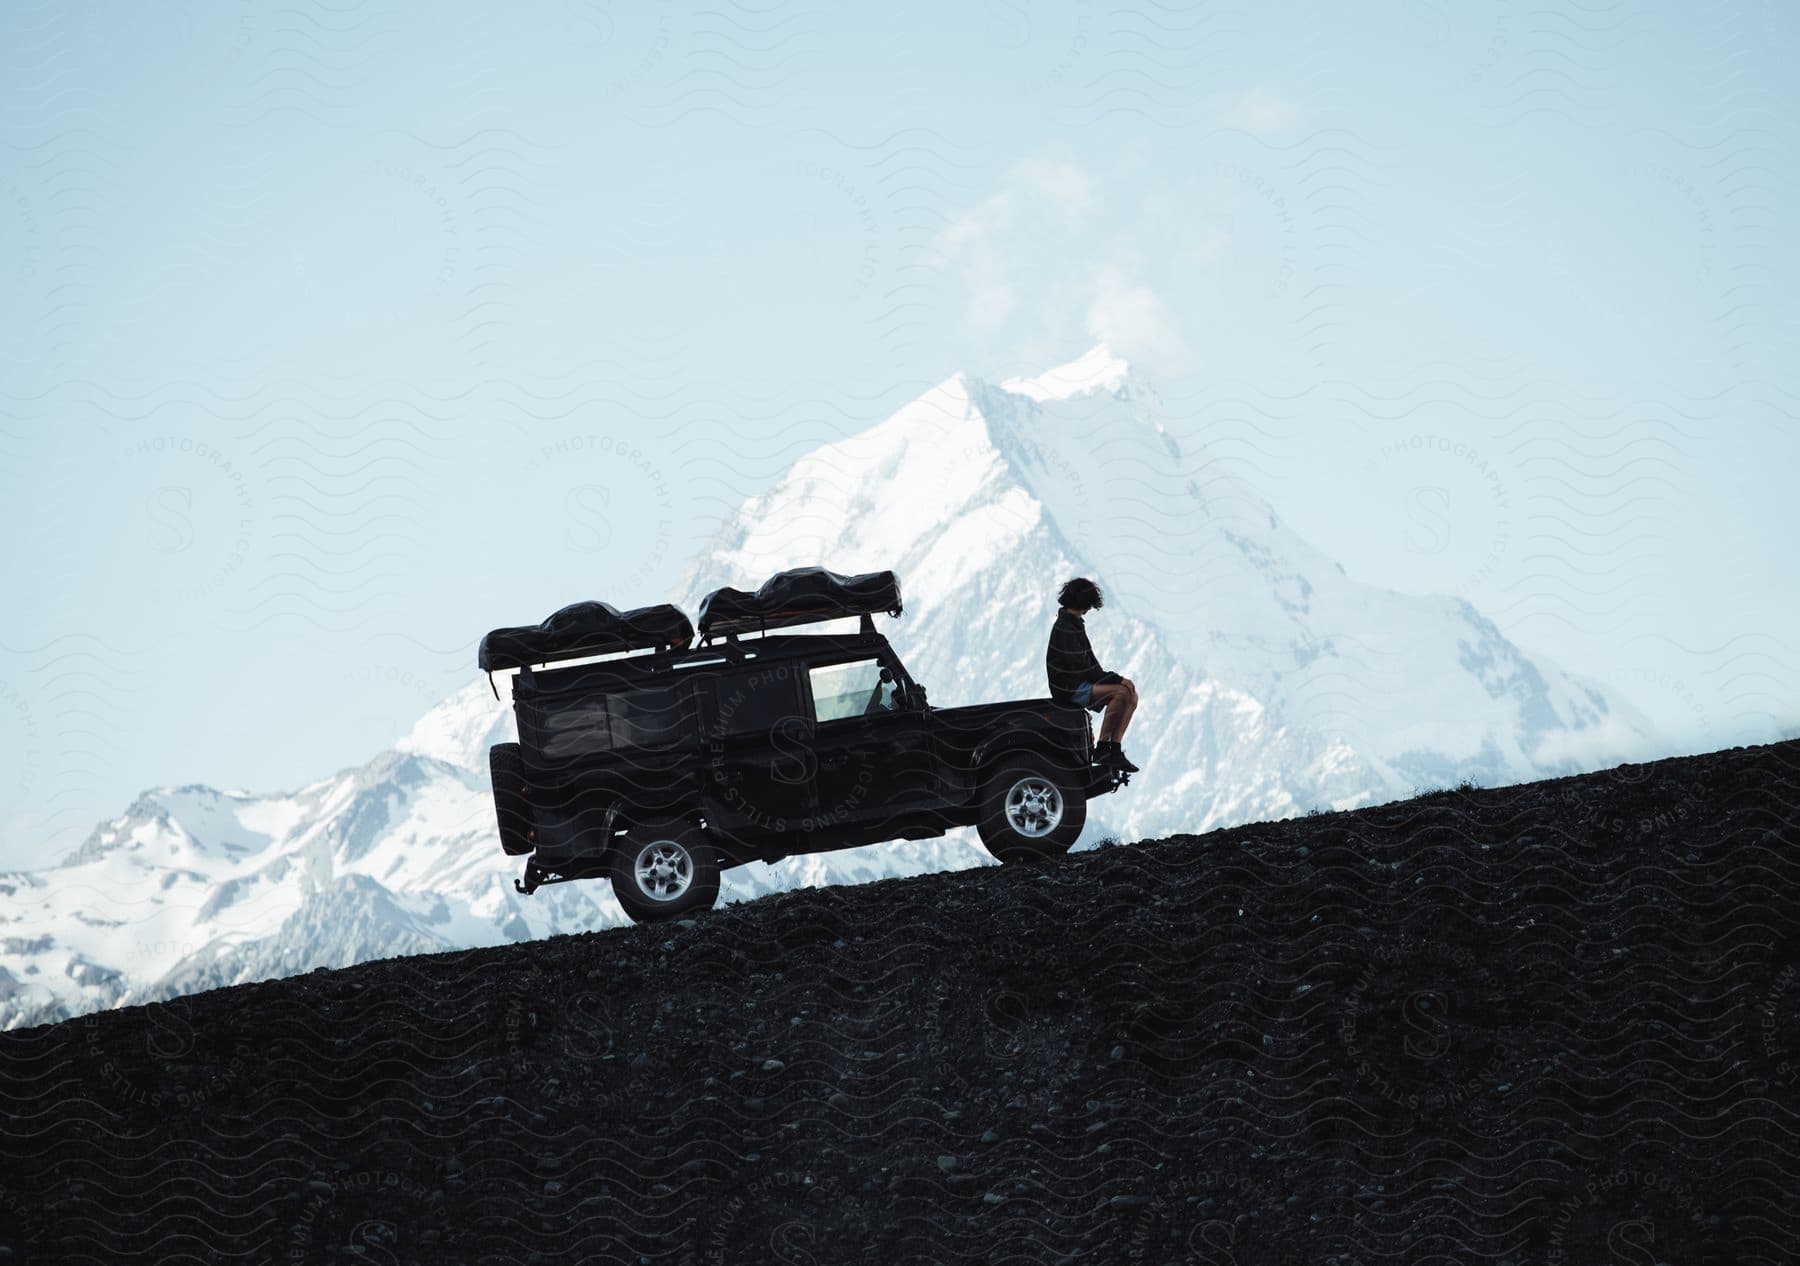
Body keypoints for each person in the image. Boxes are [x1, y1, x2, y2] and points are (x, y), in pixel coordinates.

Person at [1044, 577, 1139, 772]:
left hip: (1079, 684)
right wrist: (1118, 680)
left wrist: (1116, 680)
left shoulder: (1074, 624)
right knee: (1120, 693)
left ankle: (1114, 748)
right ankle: (1104, 748)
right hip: (1069, 689)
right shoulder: (1065, 628)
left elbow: (1089, 664)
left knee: (1131, 695)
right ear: (1086, 604)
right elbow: (1082, 668)